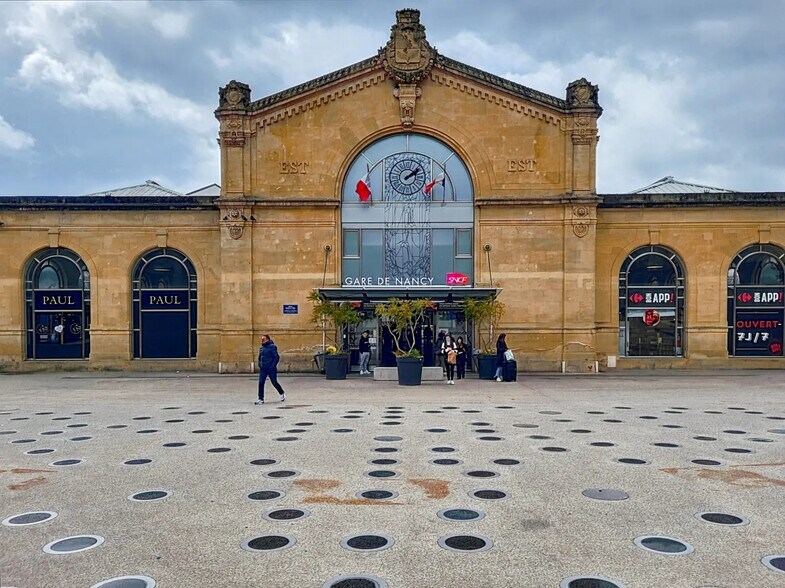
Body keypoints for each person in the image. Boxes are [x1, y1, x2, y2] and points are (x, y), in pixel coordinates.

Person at [256, 334, 286, 404]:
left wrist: (272, 366)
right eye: (261, 339)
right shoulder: (261, 348)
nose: (262, 340)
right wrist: (260, 364)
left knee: (274, 382)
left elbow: (276, 357)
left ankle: (281, 393)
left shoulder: (272, 347)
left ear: (267, 339)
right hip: (263, 368)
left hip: (271, 368)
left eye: (263, 339)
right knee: (261, 382)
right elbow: (259, 357)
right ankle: (260, 398)